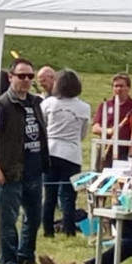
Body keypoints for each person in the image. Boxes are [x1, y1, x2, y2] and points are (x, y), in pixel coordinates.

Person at [0, 58, 51, 264]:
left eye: (30, 76)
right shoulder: (3, 105)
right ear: (11, 77)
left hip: (34, 168)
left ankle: (26, 254)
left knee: (34, 216)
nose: (26, 80)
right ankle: (8, 261)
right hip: (11, 170)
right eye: (21, 76)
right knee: (8, 220)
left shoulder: (36, 102)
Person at [40, 69, 91, 237]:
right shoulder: (84, 107)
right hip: (72, 153)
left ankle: (47, 229)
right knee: (69, 194)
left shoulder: (49, 104)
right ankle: (69, 229)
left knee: (50, 194)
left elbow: (42, 126)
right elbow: (83, 134)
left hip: (51, 151)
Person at [91, 73, 132, 163]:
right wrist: (108, 131)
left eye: (122, 86)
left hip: (127, 149)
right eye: (116, 86)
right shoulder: (105, 105)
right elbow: (95, 128)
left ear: (128, 88)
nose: (118, 89)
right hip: (107, 148)